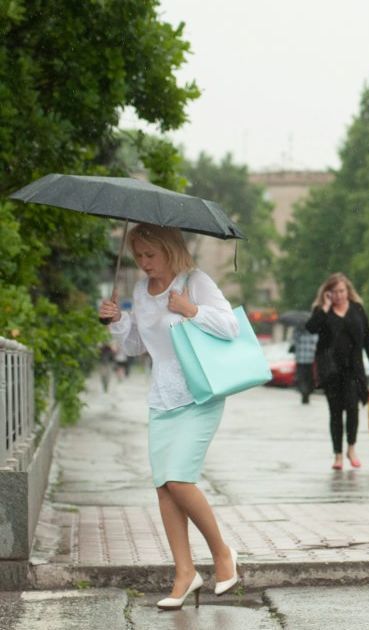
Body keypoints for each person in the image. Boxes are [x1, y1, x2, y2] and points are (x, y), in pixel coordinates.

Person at [98, 224, 239, 610]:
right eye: (138, 256)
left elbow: (230, 327)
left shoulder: (196, 281)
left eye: (150, 255)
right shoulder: (142, 291)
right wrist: (117, 321)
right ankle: (184, 573)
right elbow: (137, 346)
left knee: (179, 479)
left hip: (199, 394)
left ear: (169, 250)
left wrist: (190, 309)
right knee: (164, 487)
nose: (143, 264)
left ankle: (223, 554)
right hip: (162, 397)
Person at [305, 273, 369, 470]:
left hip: (353, 369)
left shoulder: (357, 310)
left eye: (341, 291)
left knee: (353, 410)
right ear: (328, 293)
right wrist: (325, 307)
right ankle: (338, 455)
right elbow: (311, 328)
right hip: (331, 370)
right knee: (336, 413)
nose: (338, 295)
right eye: (334, 292)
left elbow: (368, 338)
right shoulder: (322, 311)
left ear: (348, 291)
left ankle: (351, 449)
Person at [292, 327, 318, 404]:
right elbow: (316, 341)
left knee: (301, 377)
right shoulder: (313, 330)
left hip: (300, 359)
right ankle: (306, 392)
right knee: (309, 378)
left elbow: (294, 341)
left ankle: (304, 391)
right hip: (310, 359)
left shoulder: (297, 331)